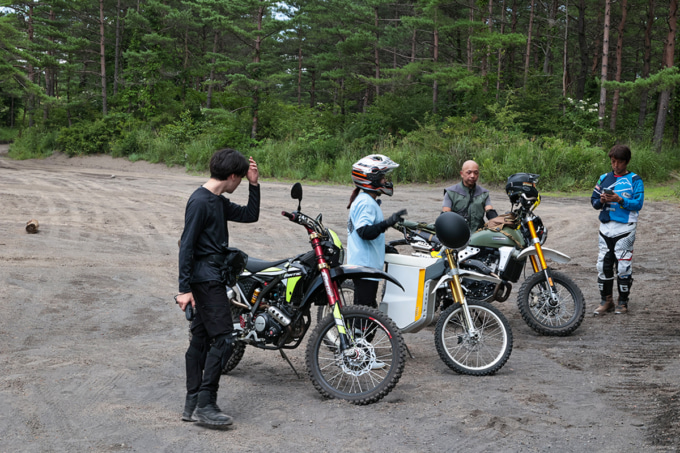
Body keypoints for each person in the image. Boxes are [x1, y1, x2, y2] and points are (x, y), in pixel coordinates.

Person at [175, 148, 260, 426]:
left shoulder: (217, 201)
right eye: (241, 178)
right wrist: (183, 288)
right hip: (205, 278)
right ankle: (205, 403)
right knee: (224, 338)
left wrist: (254, 184)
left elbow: (250, 215)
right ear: (232, 175)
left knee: (200, 339)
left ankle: (192, 401)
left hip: (211, 276)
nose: (240, 182)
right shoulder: (200, 201)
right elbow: (186, 245)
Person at [347, 154, 406, 308]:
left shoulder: (366, 200)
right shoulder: (366, 202)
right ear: (371, 179)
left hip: (366, 265)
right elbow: (364, 232)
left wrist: (383, 248)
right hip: (364, 267)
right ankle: (356, 333)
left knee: (369, 310)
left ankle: (359, 331)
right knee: (364, 313)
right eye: (382, 178)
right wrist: (388, 222)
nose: (385, 181)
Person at [591, 144, 644, 315]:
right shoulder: (603, 178)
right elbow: (593, 202)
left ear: (627, 162)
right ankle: (606, 301)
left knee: (623, 266)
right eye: (613, 162)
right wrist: (602, 200)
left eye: (619, 162)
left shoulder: (635, 180)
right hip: (606, 227)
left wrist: (620, 200)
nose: (616, 165)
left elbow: (638, 204)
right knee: (602, 265)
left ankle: (623, 302)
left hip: (626, 227)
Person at [442, 160, 498, 232]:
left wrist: (499, 223)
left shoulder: (484, 193)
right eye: (469, 172)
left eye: (476, 173)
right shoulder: (451, 192)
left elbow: (490, 212)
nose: (472, 176)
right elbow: (445, 216)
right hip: (457, 233)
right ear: (462, 174)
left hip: (478, 234)